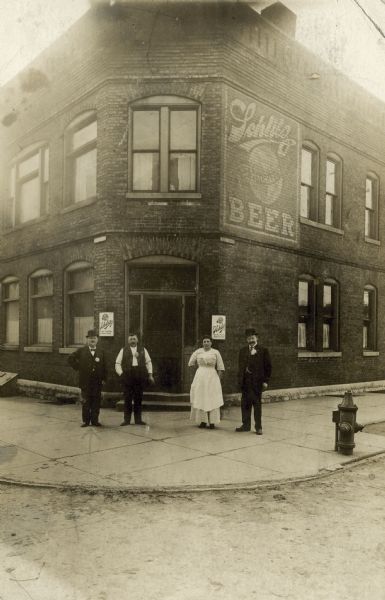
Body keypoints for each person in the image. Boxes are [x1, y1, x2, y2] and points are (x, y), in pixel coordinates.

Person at [68, 329, 108, 428]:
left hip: (97, 382)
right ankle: (86, 421)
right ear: (87, 340)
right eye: (90, 338)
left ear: (97, 339)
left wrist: (104, 379)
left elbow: (105, 366)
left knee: (96, 401)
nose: (92, 340)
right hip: (85, 381)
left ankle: (95, 421)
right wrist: (78, 367)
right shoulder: (81, 351)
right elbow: (70, 358)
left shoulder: (101, 351)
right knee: (86, 401)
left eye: (94, 338)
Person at [236, 328, 272, 435]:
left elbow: (268, 367)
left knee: (257, 405)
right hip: (245, 383)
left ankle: (258, 427)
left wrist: (265, 381)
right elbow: (240, 366)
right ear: (246, 339)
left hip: (257, 383)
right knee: (245, 405)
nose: (251, 339)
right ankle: (246, 425)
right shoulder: (242, 351)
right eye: (248, 338)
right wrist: (240, 379)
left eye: (252, 337)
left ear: (257, 338)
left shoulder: (263, 350)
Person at [115, 333, 154, 426]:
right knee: (127, 398)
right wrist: (121, 374)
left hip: (139, 376)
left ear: (137, 340)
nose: (132, 341)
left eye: (134, 339)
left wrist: (150, 374)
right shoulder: (123, 350)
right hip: (128, 376)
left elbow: (148, 362)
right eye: (131, 339)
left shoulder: (143, 350)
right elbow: (117, 363)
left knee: (138, 398)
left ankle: (138, 420)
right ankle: (126, 420)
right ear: (128, 341)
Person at [188, 335, 225, 429]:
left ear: (211, 343)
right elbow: (191, 363)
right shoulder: (198, 351)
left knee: (212, 397)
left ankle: (213, 422)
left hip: (212, 376)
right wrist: (197, 372)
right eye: (204, 341)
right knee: (201, 397)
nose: (206, 343)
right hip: (200, 376)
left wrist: (218, 379)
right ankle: (203, 421)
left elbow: (220, 367)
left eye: (208, 341)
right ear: (202, 343)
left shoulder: (216, 352)